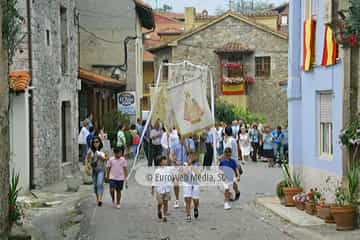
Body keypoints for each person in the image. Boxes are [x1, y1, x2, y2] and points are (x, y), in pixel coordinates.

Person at [86, 136, 108, 206]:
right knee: (95, 186)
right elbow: (87, 158)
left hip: (101, 169)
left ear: (100, 142)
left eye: (97, 142)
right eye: (94, 142)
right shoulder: (90, 150)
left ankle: (100, 200)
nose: (95, 143)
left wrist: (102, 157)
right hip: (93, 170)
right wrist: (87, 165)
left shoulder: (103, 149)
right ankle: (97, 198)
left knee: (99, 184)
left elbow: (107, 157)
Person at [151, 156, 173, 222]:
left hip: (167, 189)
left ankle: (164, 216)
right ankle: (159, 209)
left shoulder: (169, 169)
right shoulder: (157, 171)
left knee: (166, 203)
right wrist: (152, 188)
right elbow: (154, 180)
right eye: (164, 160)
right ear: (160, 163)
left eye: (166, 160)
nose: (166, 161)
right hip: (159, 190)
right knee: (160, 202)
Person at [181, 151, 201, 222]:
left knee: (195, 200)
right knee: (188, 200)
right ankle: (188, 215)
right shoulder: (184, 164)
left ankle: (196, 207)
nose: (190, 158)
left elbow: (198, 174)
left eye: (192, 156)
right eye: (189, 156)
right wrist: (188, 165)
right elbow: (184, 173)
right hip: (187, 183)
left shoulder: (198, 164)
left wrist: (192, 166)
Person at [170, 134, 188, 208]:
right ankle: (177, 199)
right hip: (177, 166)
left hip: (185, 166)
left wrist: (186, 146)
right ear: (179, 137)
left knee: (186, 185)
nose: (184, 139)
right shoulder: (174, 144)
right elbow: (171, 155)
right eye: (183, 137)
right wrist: (174, 161)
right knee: (176, 184)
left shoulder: (188, 144)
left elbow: (191, 154)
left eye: (185, 137)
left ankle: (185, 199)